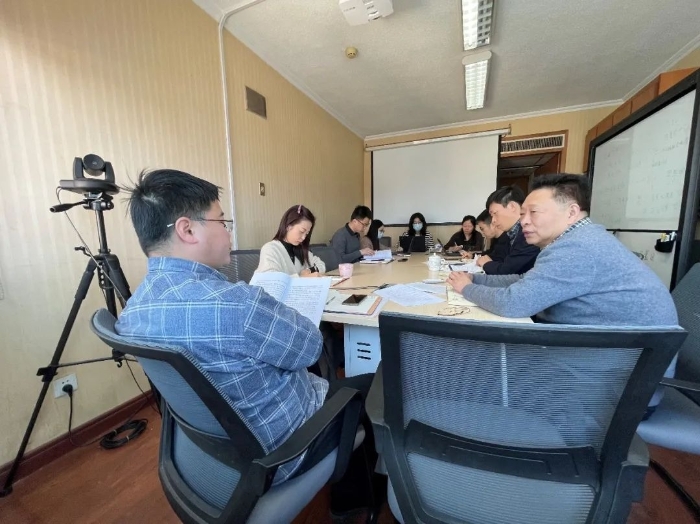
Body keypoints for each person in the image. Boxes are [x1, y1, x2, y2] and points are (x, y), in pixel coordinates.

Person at [115, 169, 374, 486]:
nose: (229, 232)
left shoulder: (132, 312)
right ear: (187, 229)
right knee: (373, 385)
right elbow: (309, 349)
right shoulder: (238, 304)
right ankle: (352, 497)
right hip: (285, 448)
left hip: (215, 452)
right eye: (222, 221)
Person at [446, 174, 678, 415]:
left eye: (533, 212)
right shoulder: (579, 239)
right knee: (489, 357)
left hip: (617, 388)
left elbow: (513, 303)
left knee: (476, 365)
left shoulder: (577, 248)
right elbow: (524, 281)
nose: (524, 221)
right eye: (523, 214)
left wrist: (466, 288)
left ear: (571, 212)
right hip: (610, 363)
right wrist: (476, 279)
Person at [476, 185, 539, 275]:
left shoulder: (528, 232)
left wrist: (487, 264)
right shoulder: (512, 233)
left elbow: (508, 270)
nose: (493, 221)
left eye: (495, 213)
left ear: (512, 207)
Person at [256, 205, 326, 276]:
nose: (303, 237)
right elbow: (271, 279)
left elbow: (321, 265)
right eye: (301, 231)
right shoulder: (271, 249)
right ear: (288, 226)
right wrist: (301, 277)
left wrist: (309, 270)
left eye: (307, 233)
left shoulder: (301, 249)